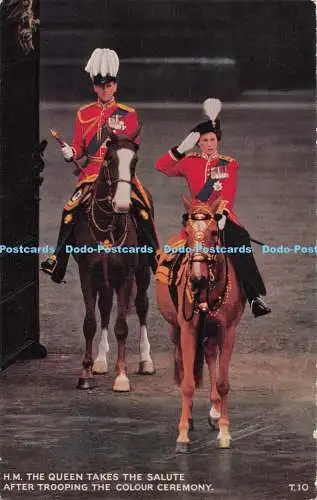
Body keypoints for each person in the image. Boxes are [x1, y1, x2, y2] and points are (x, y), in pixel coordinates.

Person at [41, 48, 159, 282]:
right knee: (69, 210)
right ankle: (57, 260)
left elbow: (132, 146)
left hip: (120, 172)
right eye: (100, 85)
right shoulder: (83, 114)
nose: (105, 89)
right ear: (94, 86)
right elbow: (79, 147)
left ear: (115, 86)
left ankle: (156, 258)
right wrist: (70, 152)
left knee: (144, 207)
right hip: (91, 173)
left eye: (109, 85)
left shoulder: (129, 114)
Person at [156, 98, 271, 318]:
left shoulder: (229, 164)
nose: (210, 144)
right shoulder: (190, 161)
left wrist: (221, 216)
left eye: (213, 139)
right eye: (205, 140)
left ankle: (254, 297)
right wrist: (180, 148)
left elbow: (228, 194)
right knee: (174, 253)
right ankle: (172, 291)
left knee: (240, 244)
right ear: (198, 143)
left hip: (222, 218)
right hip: (197, 218)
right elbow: (161, 166)